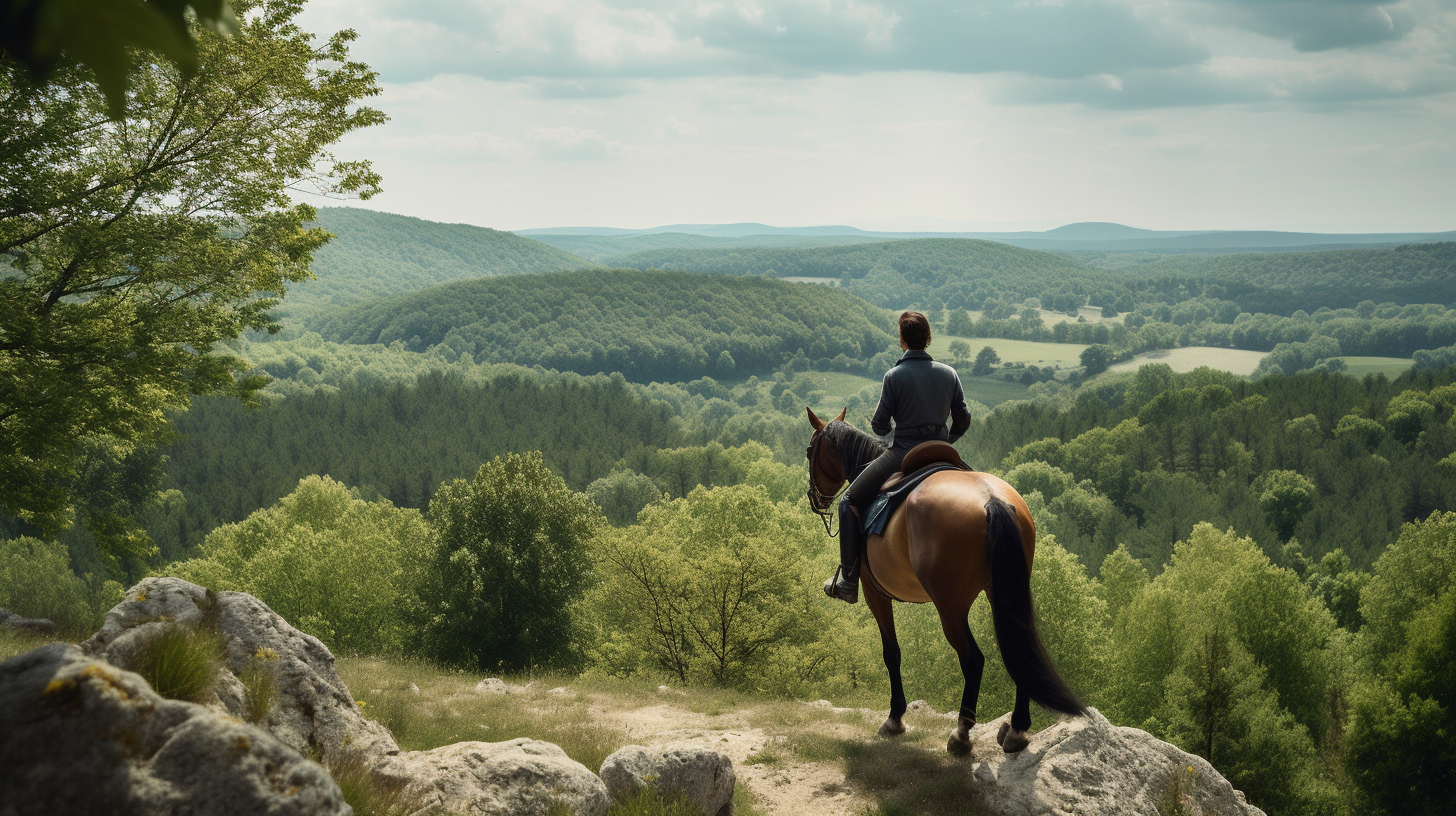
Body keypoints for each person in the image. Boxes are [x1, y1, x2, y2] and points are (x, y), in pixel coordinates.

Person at [824, 311, 972, 603]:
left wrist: (893, 437)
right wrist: (945, 440)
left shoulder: (894, 376)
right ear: (927, 338)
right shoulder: (949, 373)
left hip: (903, 452)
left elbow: (879, 425)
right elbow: (963, 420)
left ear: (902, 340)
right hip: (943, 450)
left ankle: (849, 583)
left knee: (848, 502)